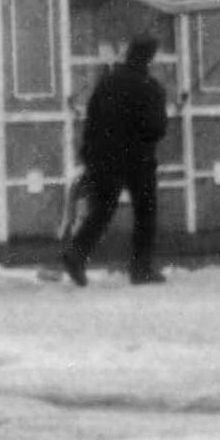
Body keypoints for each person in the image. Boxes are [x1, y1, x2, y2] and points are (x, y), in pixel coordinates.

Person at [61, 33, 171, 287]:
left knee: (102, 210)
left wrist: (88, 154)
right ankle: (140, 268)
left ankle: (76, 254)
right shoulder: (150, 87)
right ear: (149, 57)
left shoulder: (107, 82)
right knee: (146, 211)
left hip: (102, 157)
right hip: (138, 160)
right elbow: (156, 128)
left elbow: (92, 119)